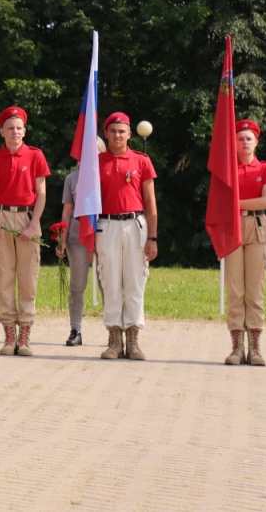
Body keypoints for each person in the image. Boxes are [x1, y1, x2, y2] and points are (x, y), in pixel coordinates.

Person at [0, 106, 50, 356]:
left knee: (28, 277)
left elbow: (41, 194)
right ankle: (9, 333)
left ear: (25, 130)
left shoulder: (35, 155)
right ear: (2, 131)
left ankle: (25, 334)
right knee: (4, 277)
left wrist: (33, 225)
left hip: (27, 217)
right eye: (10, 128)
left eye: (19, 128)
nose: (15, 132)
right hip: (1, 218)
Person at [96, 112, 158, 361]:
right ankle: (114, 339)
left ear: (130, 134)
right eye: (112, 131)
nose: (117, 135)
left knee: (135, 283)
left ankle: (133, 339)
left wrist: (152, 237)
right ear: (106, 134)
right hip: (106, 225)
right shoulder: (96, 162)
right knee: (110, 283)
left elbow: (150, 202)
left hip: (134, 225)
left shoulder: (141, 161)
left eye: (122, 131)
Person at [223, 119, 266, 366]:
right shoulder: (226, 168)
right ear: (233, 142)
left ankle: (255, 347)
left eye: (249, 138)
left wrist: (234, 204)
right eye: (240, 138)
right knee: (235, 290)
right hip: (231, 228)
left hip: (257, 226)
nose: (244, 142)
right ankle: (237, 347)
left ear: (256, 141)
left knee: (255, 290)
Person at [55, 138, 106, 347]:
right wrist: (62, 239)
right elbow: (67, 211)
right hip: (77, 237)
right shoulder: (72, 179)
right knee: (77, 285)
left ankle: (114, 329)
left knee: (107, 284)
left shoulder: (107, 176)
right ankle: (75, 329)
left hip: (103, 236)